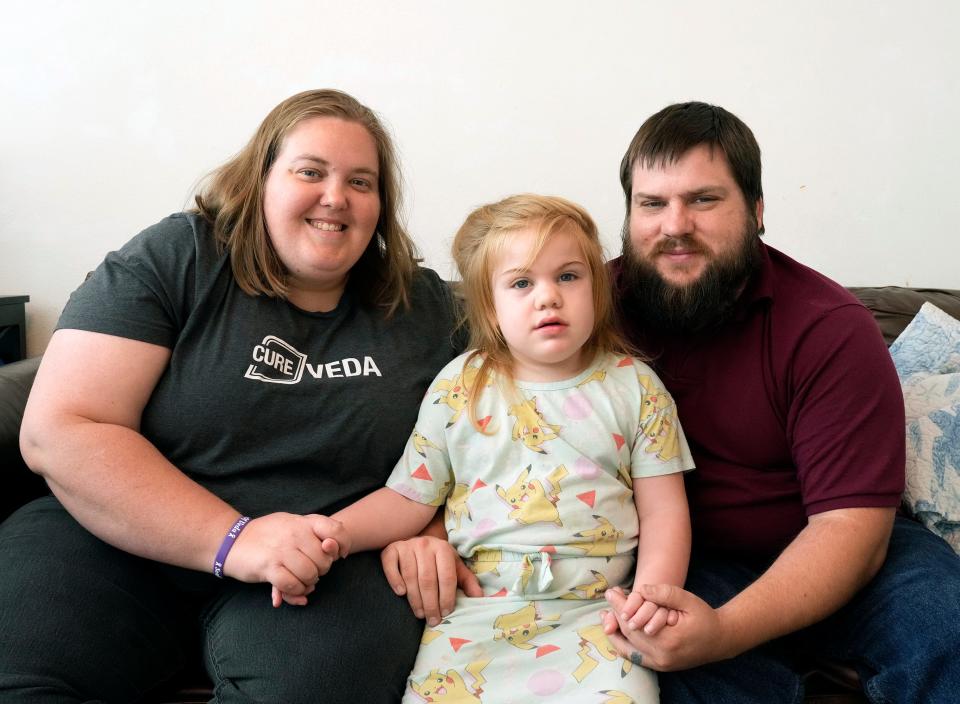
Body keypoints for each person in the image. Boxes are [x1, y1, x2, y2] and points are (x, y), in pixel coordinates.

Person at [0, 89, 464, 703]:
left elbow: (497, 435)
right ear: (260, 179)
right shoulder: (178, 257)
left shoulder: (425, 306)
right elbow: (61, 427)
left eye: (362, 181)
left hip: (323, 566)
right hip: (118, 542)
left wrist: (432, 523)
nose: (336, 196)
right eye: (310, 171)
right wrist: (234, 539)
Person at [599, 101, 960, 703]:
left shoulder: (829, 326)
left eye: (705, 200)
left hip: (847, 548)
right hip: (688, 558)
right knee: (661, 665)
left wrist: (725, 631)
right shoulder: (587, 313)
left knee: (948, 632)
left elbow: (850, 529)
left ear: (758, 212)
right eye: (652, 203)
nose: (675, 225)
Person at [311, 193, 694, 702]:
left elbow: (665, 513)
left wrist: (647, 602)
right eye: (521, 283)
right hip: (474, 616)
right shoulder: (460, 385)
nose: (547, 298)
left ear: (597, 289)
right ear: (490, 308)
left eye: (568, 276)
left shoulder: (636, 387)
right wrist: (331, 534)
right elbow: (410, 497)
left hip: (597, 617)